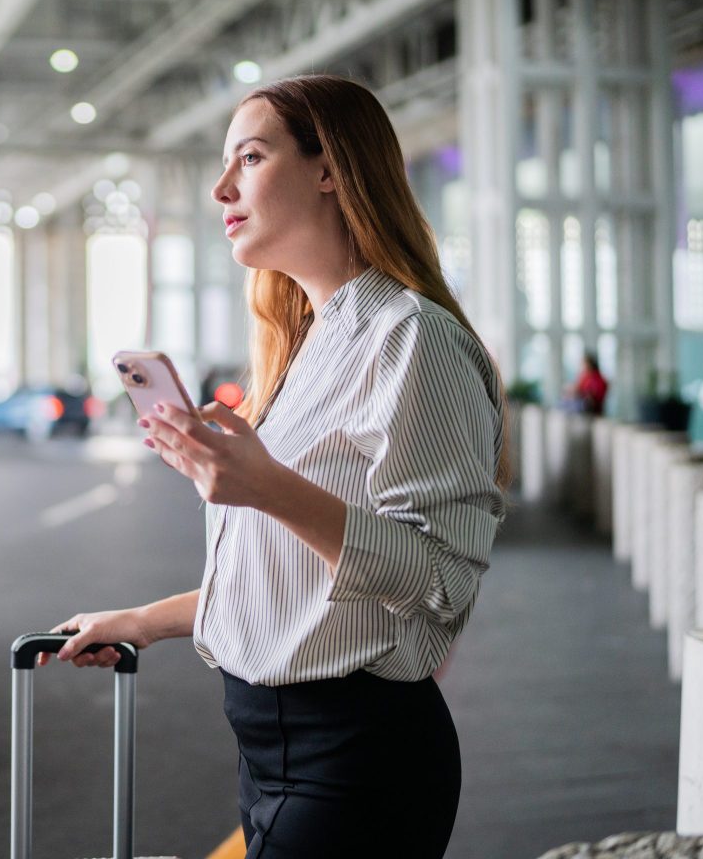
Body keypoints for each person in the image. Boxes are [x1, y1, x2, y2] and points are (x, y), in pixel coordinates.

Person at [40, 75, 510, 858]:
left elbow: (442, 579)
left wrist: (269, 488)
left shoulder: (411, 337)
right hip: (270, 754)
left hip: (358, 759)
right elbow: (291, 580)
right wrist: (140, 623)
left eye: (250, 158)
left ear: (331, 169)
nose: (223, 187)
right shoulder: (304, 350)